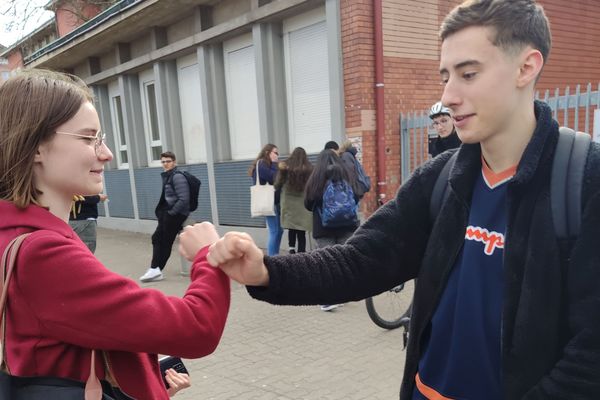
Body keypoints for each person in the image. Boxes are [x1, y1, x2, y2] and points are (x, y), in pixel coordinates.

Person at [200, 1, 600, 398]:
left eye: (469, 74)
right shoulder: (442, 178)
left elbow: (589, 358)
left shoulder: (583, 179)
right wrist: (267, 272)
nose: (448, 96)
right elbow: (362, 261)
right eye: (446, 76)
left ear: (526, 67)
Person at [0, 69, 230, 399]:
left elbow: (62, 347)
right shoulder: (43, 251)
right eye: (89, 138)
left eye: (102, 138)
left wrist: (146, 377)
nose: (106, 153)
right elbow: (197, 329)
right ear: (36, 145)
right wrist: (209, 257)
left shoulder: (14, 234)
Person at [304, 149, 359, 312]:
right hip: (347, 225)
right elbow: (356, 195)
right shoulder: (347, 176)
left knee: (326, 262)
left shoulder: (316, 179)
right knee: (343, 261)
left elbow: (308, 203)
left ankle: (326, 299)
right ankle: (341, 295)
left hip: (323, 227)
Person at [140, 151, 190, 282]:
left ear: (174, 162)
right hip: (168, 213)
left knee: (164, 241)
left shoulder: (177, 177)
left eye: (168, 161)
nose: (165, 164)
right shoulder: (169, 176)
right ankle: (155, 269)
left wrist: (171, 213)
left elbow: (184, 198)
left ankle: (155, 270)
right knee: (158, 239)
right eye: (163, 162)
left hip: (175, 214)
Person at [275, 147, 313, 254]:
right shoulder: (309, 169)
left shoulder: (285, 167)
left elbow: (278, 184)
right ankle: (302, 253)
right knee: (302, 229)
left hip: (288, 201)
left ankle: (291, 249)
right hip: (302, 203)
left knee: (291, 227)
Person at [248, 144, 283, 256]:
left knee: (279, 231)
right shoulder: (262, 164)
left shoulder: (266, 164)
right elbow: (273, 178)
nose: (277, 155)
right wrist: (274, 163)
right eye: (275, 152)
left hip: (274, 201)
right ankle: (273, 258)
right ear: (268, 152)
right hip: (268, 202)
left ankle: (275, 255)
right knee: (274, 231)